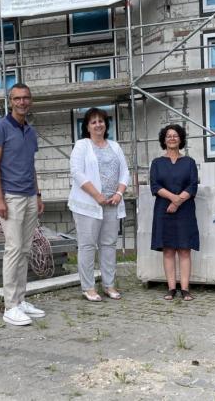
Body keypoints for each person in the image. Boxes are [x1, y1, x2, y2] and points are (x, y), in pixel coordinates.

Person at [0, 82, 46, 326]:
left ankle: (20, 300)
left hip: (30, 196)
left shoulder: (30, 131)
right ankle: (10, 306)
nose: (22, 102)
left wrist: (38, 194)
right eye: (17, 98)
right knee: (13, 249)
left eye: (26, 98)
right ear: (10, 101)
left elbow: (30, 166)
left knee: (24, 249)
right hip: (10, 196)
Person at [68, 107, 130, 302]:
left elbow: (125, 172)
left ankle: (109, 284)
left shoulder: (115, 146)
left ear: (106, 124)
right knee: (87, 246)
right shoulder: (81, 145)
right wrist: (97, 195)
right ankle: (88, 287)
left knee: (109, 245)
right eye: (93, 122)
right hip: (88, 204)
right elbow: (77, 173)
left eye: (101, 121)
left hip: (112, 204)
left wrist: (119, 193)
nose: (98, 125)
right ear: (87, 126)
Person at [149, 124, 199, 301]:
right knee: (168, 250)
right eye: (168, 136)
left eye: (175, 135)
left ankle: (185, 289)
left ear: (180, 139)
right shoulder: (156, 163)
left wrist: (178, 202)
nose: (172, 138)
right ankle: (171, 288)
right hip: (164, 210)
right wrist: (173, 199)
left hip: (185, 210)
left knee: (185, 250)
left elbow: (193, 185)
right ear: (164, 140)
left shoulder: (190, 162)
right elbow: (155, 186)